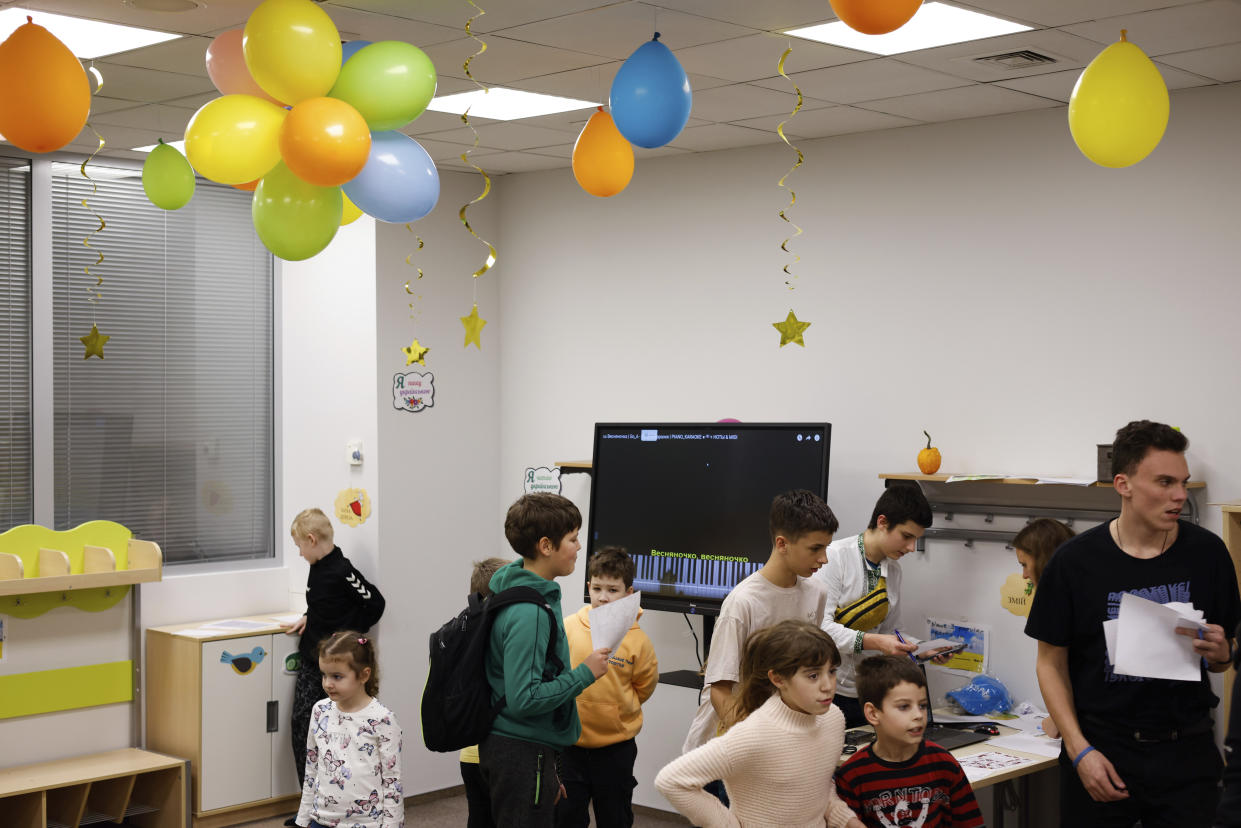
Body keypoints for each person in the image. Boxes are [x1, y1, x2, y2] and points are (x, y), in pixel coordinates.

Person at [1026, 420, 1241, 827]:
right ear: (1122, 484)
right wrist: (1079, 750)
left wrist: (1222, 652)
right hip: (1101, 751)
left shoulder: (1208, 554)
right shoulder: (1074, 562)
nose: (1179, 495)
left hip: (1186, 753)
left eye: (1183, 482)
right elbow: (1050, 662)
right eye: (1164, 482)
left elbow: (1222, 658)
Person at [481, 493, 611, 828]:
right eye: (573, 538)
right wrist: (585, 674)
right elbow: (525, 699)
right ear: (545, 546)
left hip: (525, 748)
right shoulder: (530, 613)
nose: (580, 547)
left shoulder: (522, 590)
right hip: (520, 749)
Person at [682, 489, 837, 764]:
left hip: (782, 738)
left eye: (826, 547)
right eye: (815, 548)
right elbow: (719, 690)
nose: (824, 559)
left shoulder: (817, 593)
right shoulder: (742, 603)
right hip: (733, 746)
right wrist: (752, 743)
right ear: (782, 543)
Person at [656, 620, 861, 827]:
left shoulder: (834, 719)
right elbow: (672, 780)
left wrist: (847, 820)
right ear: (778, 679)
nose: (827, 685)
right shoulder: (754, 735)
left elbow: (819, 791)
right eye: (813, 675)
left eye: (832, 671)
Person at [284, 507, 386, 817]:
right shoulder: (318, 567)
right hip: (312, 661)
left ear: (312, 540)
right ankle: (309, 804)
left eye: (300, 546)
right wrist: (308, 616)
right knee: (303, 726)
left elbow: (375, 602)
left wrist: (350, 633)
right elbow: (323, 603)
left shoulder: (340, 569)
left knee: (332, 734)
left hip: (331, 666)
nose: (300, 554)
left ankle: (329, 804)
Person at [814, 483, 934, 727]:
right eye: (907, 536)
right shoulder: (835, 557)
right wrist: (875, 642)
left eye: (916, 540)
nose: (912, 548)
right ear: (882, 522)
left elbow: (891, 632)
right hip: (827, 692)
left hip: (868, 692)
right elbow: (819, 630)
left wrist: (922, 649)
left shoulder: (894, 570)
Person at [556, 546, 658, 828]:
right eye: (597, 588)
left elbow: (644, 687)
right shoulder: (568, 627)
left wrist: (616, 709)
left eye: (612, 590)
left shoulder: (638, 640)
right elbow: (558, 675)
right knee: (566, 816)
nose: (603, 597)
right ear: (589, 586)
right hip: (570, 745)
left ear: (629, 593)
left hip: (616, 749)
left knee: (615, 816)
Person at [834, 655, 982, 827]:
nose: (918, 715)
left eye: (922, 705)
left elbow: (971, 823)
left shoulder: (943, 763)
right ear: (873, 714)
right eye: (904, 707)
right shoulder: (851, 776)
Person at [294, 631, 403, 828]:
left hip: (366, 823)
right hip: (320, 819)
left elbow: (392, 780)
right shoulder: (320, 711)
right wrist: (303, 819)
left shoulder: (383, 719)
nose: (328, 683)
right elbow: (311, 768)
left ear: (364, 675)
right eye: (324, 675)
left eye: (337, 676)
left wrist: (391, 825)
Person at [1011, 518, 1075, 740]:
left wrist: (1058, 720)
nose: (1025, 575)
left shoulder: (1054, 599)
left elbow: (1054, 668)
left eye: (1024, 565)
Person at [461, 557, 511, 828]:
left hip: (469, 752)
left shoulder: (464, 632)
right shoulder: (508, 638)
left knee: (479, 818)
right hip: (503, 750)